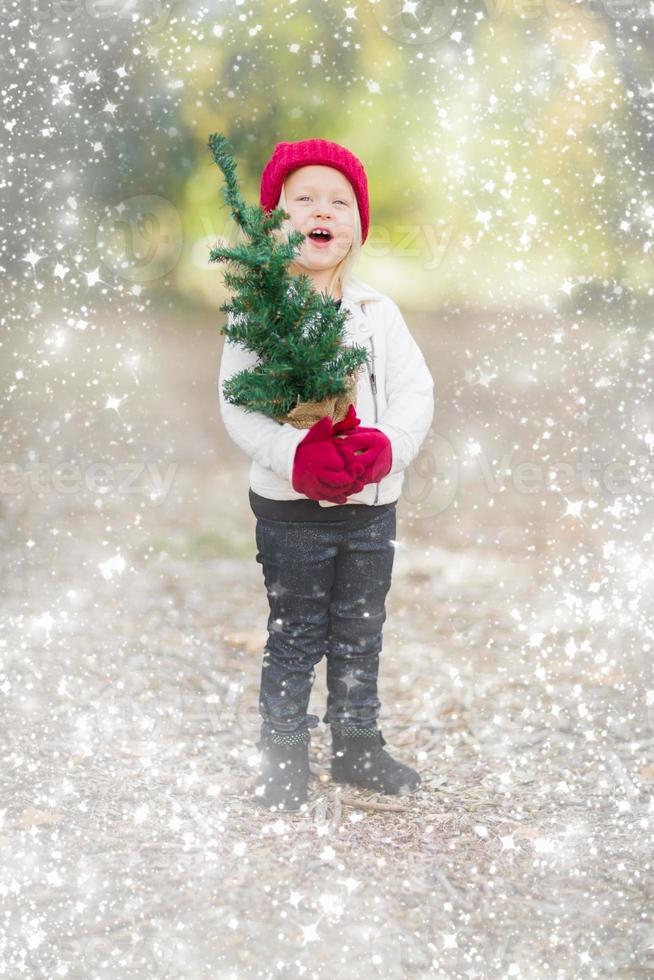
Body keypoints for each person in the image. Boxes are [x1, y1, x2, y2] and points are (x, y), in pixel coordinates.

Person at [218, 138, 434, 811]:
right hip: (291, 511)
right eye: (304, 198)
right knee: (297, 630)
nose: (323, 210)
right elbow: (237, 408)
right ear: (275, 223)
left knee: (361, 626)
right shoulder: (258, 314)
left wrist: (386, 449)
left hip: (371, 507)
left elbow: (415, 394)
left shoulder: (377, 315)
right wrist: (295, 456)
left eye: (339, 201)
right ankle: (283, 758)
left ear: (357, 227)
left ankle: (356, 745)